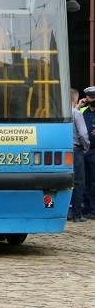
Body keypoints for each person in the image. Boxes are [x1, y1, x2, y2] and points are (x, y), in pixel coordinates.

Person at [70, 88, 90, 222]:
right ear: (76, 99)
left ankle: (65, 212)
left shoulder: (55, 112)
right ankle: (77, 214)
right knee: (78, 182)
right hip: (75, 150)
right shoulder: (77, 113)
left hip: (60, 150)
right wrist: (86, 147)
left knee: (63, 182)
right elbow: (83, 134)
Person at [80, 86, 95, 219]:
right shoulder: (82, 111)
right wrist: (78, 106)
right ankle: (85, 207)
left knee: (93, 180)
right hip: (84, 151)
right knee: (83, 180)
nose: (93, 99)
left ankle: (93, 209)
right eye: (91, 97)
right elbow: (72, 117)